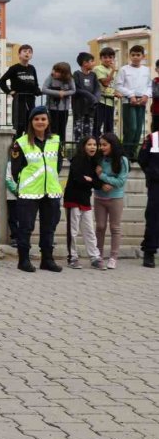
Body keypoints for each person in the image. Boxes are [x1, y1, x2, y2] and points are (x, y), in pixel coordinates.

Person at [6, 106, 64, 273]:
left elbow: (58, 164)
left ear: (48, 121)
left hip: (51, 190)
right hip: (29, 191)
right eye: (36, 119)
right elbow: (15, 169)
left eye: (43, 119)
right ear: (31, 122)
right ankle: (23, 260)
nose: (40, 122)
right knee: (26, 227)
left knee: (49, 226)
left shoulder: (56, 140)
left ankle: (47, 259)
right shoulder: (21, 142)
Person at [63, 136, 103, 270]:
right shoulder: (77, 160)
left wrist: (90, 179)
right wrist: (90, 180)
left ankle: (95, 258)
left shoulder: (95, 163)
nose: (92, 147)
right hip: (73, 199)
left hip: (85, 200)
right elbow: (78, 179)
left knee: (89, 230)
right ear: (83, 146)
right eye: (89, 144)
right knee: (72, 231)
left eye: (94, 145)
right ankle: (72, 257)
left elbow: (98, 184)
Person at [93, 133, 128, 270]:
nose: (101, 147)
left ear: (112, 145)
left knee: (115, 228)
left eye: (104, 145)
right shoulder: (99, 158)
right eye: (100, 144)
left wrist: (103, 176)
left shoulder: (122, 160)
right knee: (100, 227)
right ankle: (98, 255)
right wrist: (101, 184)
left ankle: (113, 257)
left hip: (115, 198)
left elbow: (120, 181)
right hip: (99, 198)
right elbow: (93, 176)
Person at [116, 44, 151, 159]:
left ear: (143, 56)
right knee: (131, 128)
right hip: (129, 101)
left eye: (138, 55)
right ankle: (125, 154)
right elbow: (119, 86)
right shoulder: (124, 69)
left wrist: (146, 95)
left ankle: (133, 154)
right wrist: (130, 95)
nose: (135, 57)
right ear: (129, 56)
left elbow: (149, 85)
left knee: (138, 130)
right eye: (133, 55)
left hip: (141, 102)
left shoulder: (146, 70)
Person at [0, 44, 40, 137]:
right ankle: (16, 147)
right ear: (19, 54)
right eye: (25, 51)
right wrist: (9, 91)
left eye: (30, 52)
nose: (27, 53)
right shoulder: (14, 68)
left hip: (30, 100)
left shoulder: (32, 68)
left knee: (30, 125)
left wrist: (37, 91)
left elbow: (35, 84)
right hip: (19, 100)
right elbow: (2, 81)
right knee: (19, 125)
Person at [139, 128, 159, 268]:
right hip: (156, 185)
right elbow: (142, 159)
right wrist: (152, 174)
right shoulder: (153, 138)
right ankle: (149, 252)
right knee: (153, 218)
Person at [42, 62, 75, 146]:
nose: (54, 72)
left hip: (64, 109)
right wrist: (57, 93)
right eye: (54, 70)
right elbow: (44, 89)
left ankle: (61, 149)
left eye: (57, 71)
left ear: (64, 73)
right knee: (53, 129)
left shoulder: (70, 79)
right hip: (52, 108)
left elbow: (73, 90)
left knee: (62, 129)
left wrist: (64, 93)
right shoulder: (51, 77)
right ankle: (52, 147)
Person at [72, 52, 101, 142]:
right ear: (85, 63)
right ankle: (78, 152)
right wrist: (90, 96)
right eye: (92, 61)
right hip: (79, 109)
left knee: (89, 134)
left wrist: (96, 98)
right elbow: (77, 89)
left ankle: (87, 152)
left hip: (90, 109)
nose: (94, 63)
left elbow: (97, 89)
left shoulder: (93, 75)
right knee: (78, 133)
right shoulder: (76, 74)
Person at [94, 47, 118, 135]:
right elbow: (105, 83)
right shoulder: (98, 68)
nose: (108, 60)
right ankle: (95, 146)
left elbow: (114, 85)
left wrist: (116, 93)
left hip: (110, 101)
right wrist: (113, 71)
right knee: (97, 126)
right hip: (101, 101)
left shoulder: (114, 70)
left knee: (109, 128)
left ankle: (108, 147)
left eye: (110, 57)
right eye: (105, 57)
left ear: (113, 58)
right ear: (101, 58)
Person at [4, 145, 20, 248]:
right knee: (13, 217)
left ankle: (22, 237)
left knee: (23, 218)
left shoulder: (24, 164)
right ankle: (14, 236)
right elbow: (8, 179)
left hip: (24, 195)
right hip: (12, 195)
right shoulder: (10, 164)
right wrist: (16, 190)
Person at [152, 59, 159, 134]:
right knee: (156, 134)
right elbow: (155, 93)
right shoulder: (155, 81)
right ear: (156, 69)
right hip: (157, 112)